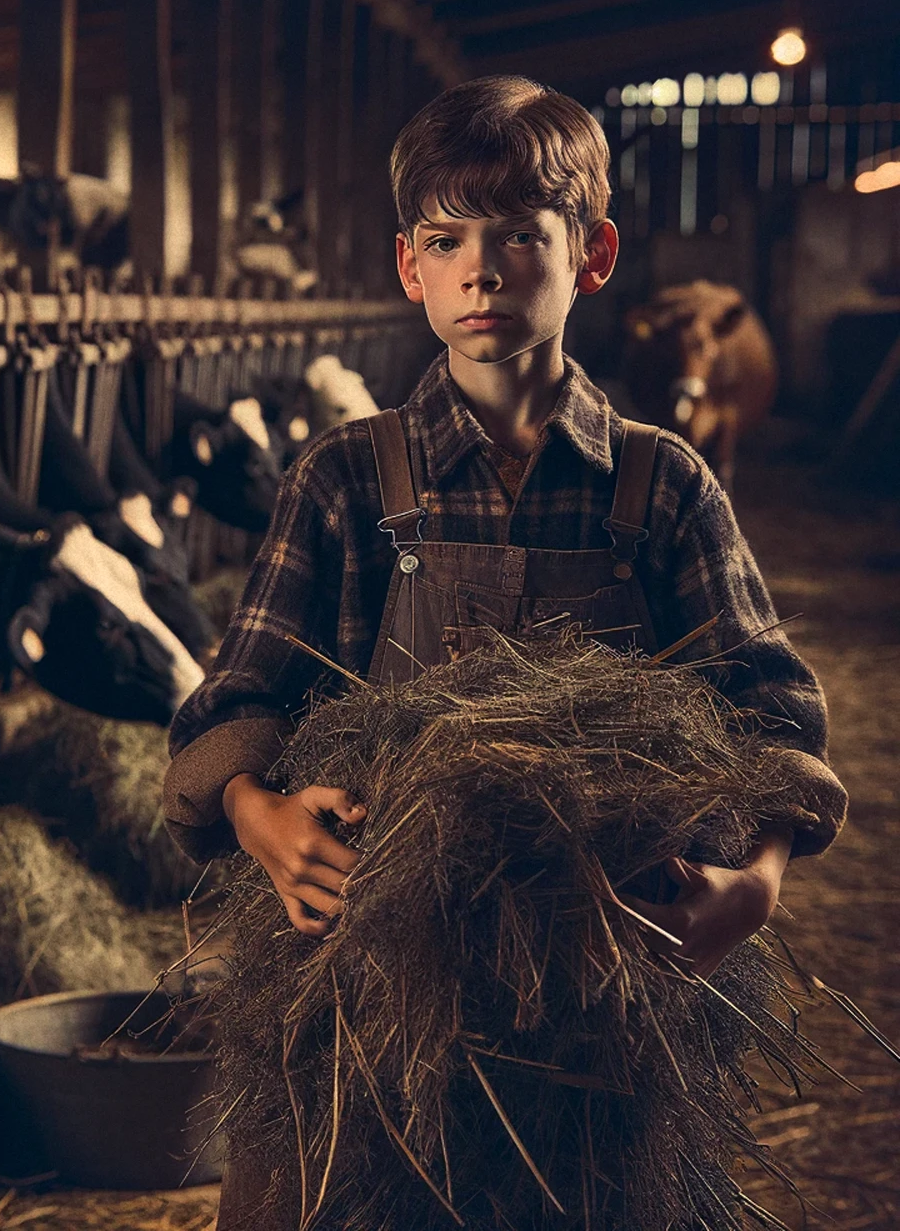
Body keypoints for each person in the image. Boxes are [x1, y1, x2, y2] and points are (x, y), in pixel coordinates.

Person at [162, 75, 847, 1220]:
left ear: (590, 255)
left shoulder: (660, 484)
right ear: (408, 267)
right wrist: (257, 814)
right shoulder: (343, 479)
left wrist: (754, 883)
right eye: (447, 238)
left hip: (605, 990)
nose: (481, 267)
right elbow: (230, 703)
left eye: (520, 234)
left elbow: (773, 712)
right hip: (368, 982)